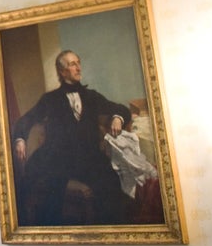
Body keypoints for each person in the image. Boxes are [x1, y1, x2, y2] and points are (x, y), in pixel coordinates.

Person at [11, 49, 131, 226]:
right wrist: (20, 139)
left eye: (78, 63)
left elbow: (121, 109)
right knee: (49, 190)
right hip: (57, 158)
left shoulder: (92, 97)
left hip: (88, 158)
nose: (78, 68)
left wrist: (117, 118)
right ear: (62, 71)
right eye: (72, 64)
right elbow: (26, 119)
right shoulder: (50, 99)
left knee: (110, 182)